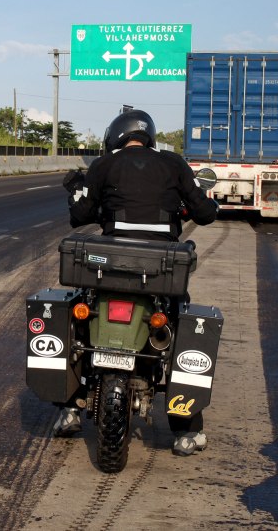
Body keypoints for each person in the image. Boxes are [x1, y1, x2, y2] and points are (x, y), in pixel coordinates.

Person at [56, 108, 219, 456]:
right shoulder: (174, 163)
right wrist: (205, 201)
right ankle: (185, 430)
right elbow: (204, 214)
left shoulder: (103, 165)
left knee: (77, 325)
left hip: (107, 265)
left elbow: (79, 217)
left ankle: (69, 408)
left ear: (115, 137)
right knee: (178, 330)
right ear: (150, 137)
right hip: (160, 270)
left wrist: (78, 194)